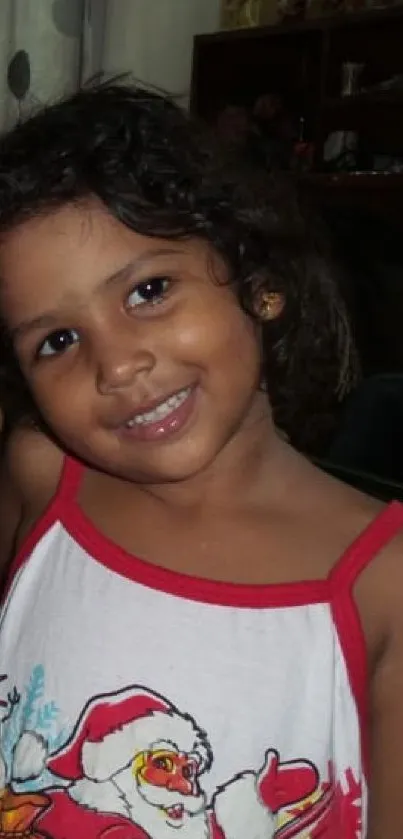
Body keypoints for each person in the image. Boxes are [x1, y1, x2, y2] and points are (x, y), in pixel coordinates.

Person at [0, 82, 401, 839]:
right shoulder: (41, 478)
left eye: (149, 290)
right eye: (55, 341)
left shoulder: (385, 586)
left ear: (259, 281)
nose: (116, 367)